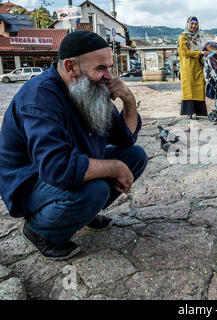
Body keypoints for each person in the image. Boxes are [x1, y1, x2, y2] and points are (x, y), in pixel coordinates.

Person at [0, 30, 148, 260]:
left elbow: (125, 139)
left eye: (110, 67)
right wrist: (113, 167)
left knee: (135, 156)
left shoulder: (91, 88)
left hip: (65, 169)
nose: (109, 76)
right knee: (95, 189)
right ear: (71, 67)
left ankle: (82, 214)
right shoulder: (40, 96)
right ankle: (40, 231)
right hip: (31, 180)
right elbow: (56, 167)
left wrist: (129, 101)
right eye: (101, 68)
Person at [178, 16, 210, 120]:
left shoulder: (198, 37)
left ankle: (199, 111)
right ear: (188, 24)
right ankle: (191, 112)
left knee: (200, 86)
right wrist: (200, 53)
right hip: (188, 67)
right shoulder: (183, 37)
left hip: (198, 66)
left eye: (195, 24)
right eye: (191, 24)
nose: (193, 26)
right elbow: (185, 52)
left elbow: (202, 49)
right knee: (190, 89)